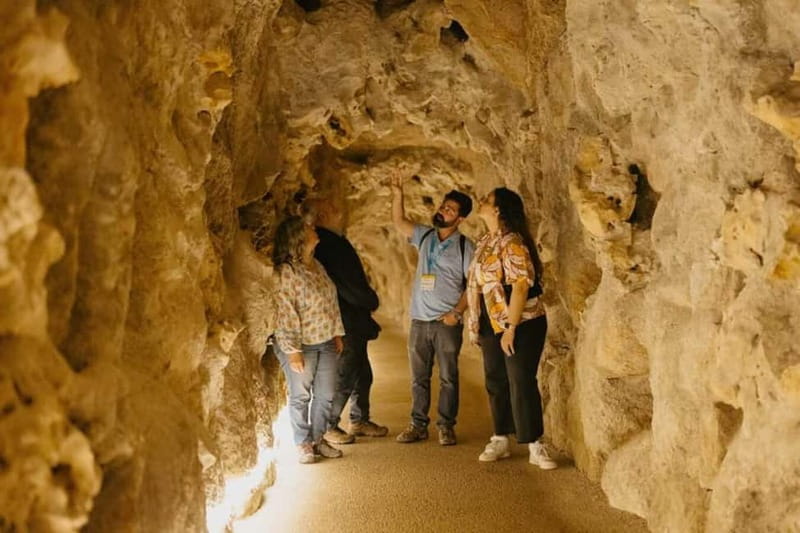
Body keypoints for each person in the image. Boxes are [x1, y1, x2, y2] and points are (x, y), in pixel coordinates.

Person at [466, 187, 557, 469]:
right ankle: (500, 437)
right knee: (496, 379)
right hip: (490, 320)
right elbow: (476, 285)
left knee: (520, 379)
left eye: (487, 199)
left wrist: (511, 327)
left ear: (498, 210)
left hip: (522, 321)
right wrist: (474, 323)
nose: (480, 201)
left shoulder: (513, 241)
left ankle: (534, 443)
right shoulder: (484, 241)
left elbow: (519, 286)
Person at [390, 174, 474, 446]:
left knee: (449, 376)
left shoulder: (465, 246)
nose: (443, 211)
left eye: (450, 209)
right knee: (418, 378)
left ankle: (446, 426)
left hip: (446, 322)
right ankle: (418, 425)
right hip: (419, 321)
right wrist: (398, 194)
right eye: (443, 206)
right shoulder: (425, 235)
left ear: (460, 219)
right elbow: (399, 223)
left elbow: (473, 285)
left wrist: (457, 313)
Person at [303, 199, 389, 445]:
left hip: (351, 317)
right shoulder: (329, 243)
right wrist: (369, 299)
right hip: (345, 319)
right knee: (345, 373)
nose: (340, 212)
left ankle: (359, 419)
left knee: (363, 372)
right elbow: (345, 283)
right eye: (334, 207)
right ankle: (328, 425)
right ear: (324, 212)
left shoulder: (333, 240)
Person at [272, 215, 346, 464]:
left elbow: (330, 300)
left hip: (325, 340)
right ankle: (302, 443)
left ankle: (317, 439)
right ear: (297, 237)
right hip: (301, 344)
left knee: (326, 394)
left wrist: (337, 332)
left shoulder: (317, 266)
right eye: (307, 226)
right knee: (301, 395)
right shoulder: (287, 271)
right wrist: (293, 350)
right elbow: (285, 312)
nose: (312, 227)